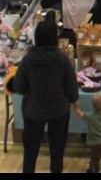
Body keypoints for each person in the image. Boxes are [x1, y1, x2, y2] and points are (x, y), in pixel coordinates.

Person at [13, 19, 79, 174]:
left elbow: (19, 87)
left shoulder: (28, 60)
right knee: (57, 151)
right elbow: (71, 86)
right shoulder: (62, 59)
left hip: (33, 111)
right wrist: (74, 101)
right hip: (59, 110)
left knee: (30, 151)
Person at [75, 92, 101, 174]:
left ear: (92, 105)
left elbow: (79, 114)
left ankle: (94, 168)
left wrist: (76, 106)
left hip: (95, 143)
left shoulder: (90, 116)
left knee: (94, 157)